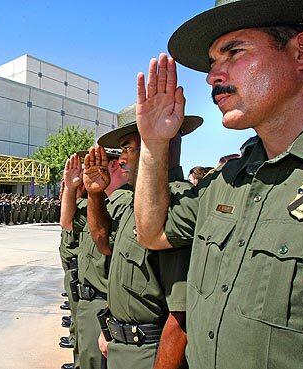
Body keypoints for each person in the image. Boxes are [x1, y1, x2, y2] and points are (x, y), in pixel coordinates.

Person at [133, 1, 303, 368]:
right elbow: (152, 233)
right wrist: (155, 145)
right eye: (212, 62)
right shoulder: (228, 180)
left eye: (233, 52)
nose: (212, 76)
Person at [90, 110, 200, 369]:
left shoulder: (178, 204)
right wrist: (109, 327)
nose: (123, 159)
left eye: (128, 147)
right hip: (121, 346)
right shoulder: (137, 203)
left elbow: (181, 314)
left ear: (163, 139)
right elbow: (106, 248)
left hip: (150, 354)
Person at [75, 147, 129, 369]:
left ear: (114, 165)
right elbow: (67, 223)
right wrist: (73, 187)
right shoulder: (103, 203)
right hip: (91, 302)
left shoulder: (125, 202)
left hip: (106, 306)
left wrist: (108, 321)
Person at [60, 154, 89, 369]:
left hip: (83, 273)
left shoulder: (91, 205)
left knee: (81, 322)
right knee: (78, 319)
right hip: (75, 268)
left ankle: (78, 359)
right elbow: (66, 222)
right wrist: (69, 188)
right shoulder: (80, 205)